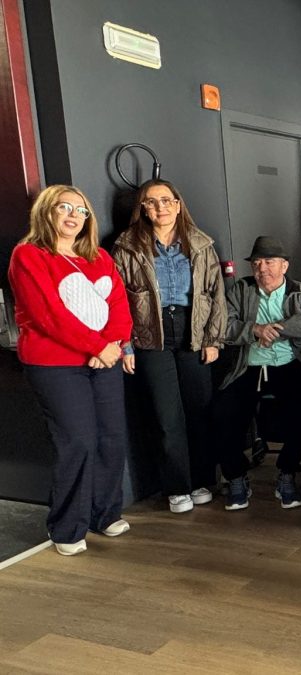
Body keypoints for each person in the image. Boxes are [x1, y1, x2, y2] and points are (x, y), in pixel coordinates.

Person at [8, 185, 134, 556]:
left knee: (111, 438)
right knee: (78, 441)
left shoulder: (97, 257)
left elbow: (119, 305)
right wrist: (98, 346)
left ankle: (104, 513)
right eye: (64, 207)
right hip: (56, 365)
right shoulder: (28, 256)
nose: (73, 215)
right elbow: (48, 315)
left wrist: (113, 344)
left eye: (80, 210)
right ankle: (67, 528)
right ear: (46, 213)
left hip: (104, 361)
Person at [112, 179, 226, 514]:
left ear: (178, 204)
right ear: (143, 209)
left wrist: (213, 339)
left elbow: (215, 294)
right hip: (150, 334)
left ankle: (203, 480)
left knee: (199, 410)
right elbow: (118, 298)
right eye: (152, 202)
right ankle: (177, 487)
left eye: (166, 200)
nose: (160, 207)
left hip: (192, 329)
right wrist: (125, 344)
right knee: (166, 416)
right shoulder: (126, 246)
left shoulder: (201, 244)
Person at [212, 236, 301, 511]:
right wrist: (255, 330)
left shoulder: (300, 291)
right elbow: (223, 325)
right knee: (222, 413)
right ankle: (236, 476)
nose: (262, 268)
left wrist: (279, 327)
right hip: (248, 366)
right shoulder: (241, 289)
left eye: (269, 262)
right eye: (256, 263)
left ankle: (287, 472)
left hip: (289, 363)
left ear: (284, 266)